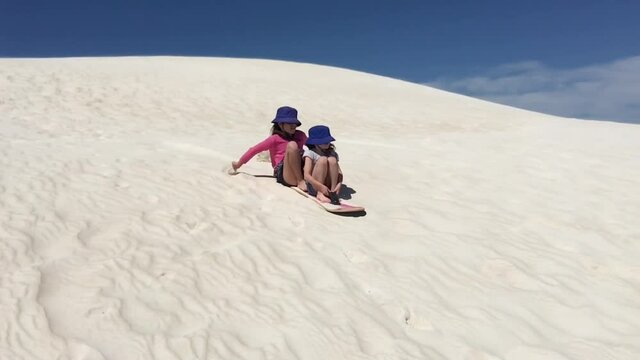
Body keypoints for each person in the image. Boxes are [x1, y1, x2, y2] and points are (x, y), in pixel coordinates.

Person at [231, 106, 307, 190]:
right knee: (292, 145)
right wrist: (238, 164)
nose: (293, 126)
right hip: (284, 174)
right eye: (289, 123)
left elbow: (314, 147)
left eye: (294, 123)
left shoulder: (300, 135)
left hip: (300, 170)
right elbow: (254, 150)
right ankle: (300, 181)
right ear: (280, 124)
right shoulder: (275, 139)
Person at [302, 125, 343, 204]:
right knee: (323, 160)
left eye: (327, 141)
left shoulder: (332, 153)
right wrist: (320, 187)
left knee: (332, 160)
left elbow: (340, 173)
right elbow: (306, 175)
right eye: (323, 142)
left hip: (328, 185)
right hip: (314, 186)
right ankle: (320, 193)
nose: (327, 143)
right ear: (315, 143)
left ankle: (333, 191)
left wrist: (339, 184)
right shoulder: (310, 153)